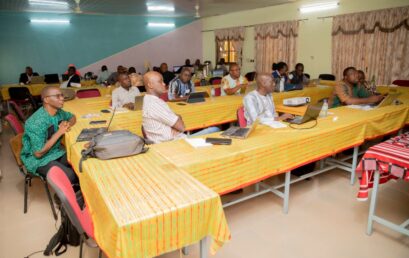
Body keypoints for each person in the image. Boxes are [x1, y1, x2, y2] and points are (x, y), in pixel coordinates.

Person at [20, 86, 78, 185]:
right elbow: (38, 153)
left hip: (55, 152)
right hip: (38, 160)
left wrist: (68, 124)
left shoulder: (58, 112)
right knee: (72, 176)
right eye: (57, 96)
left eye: (62, 95)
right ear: (46, 99)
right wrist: (60, 132)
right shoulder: (36, 122)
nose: (62, 98)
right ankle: (67, 195)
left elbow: (72, 117)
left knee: (80, 160)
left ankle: (74, 191)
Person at [142, 71, 219, 144]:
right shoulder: (154, 104)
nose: (164, 84)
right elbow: (181, 127)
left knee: (213, 130)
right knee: (215, 129)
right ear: (150, 85)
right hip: (174, 143)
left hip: (176, 139)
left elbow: (177, 120)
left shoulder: (152, 100)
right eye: (160, 81)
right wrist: (176, 122)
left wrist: (175, 123)